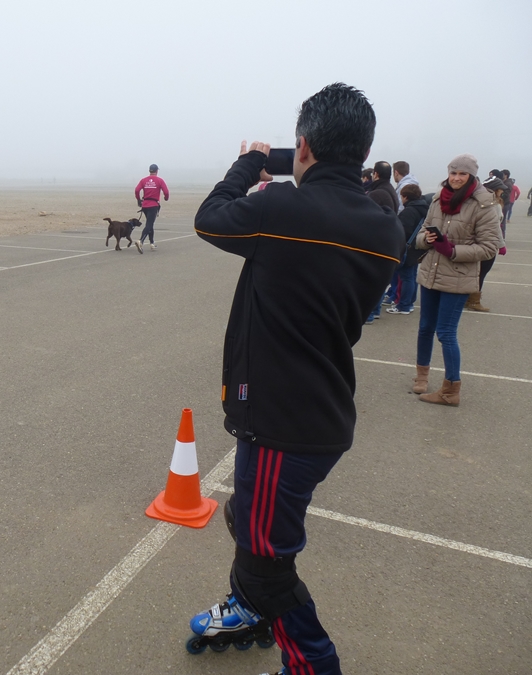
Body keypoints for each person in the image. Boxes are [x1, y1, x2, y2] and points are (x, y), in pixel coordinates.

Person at [189, 83, 403, 675]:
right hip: (320, 416)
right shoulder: (383, 226)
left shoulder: (282, 207)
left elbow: (210, 218)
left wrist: (251, 161)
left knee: (265, 560)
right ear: (361, 152)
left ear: (302, 145)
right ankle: (252, 607)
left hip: (282, 424)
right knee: (249, 520)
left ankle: (311, 663)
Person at [411, 154, 500, 405]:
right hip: (431, 272)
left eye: (462, 174)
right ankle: (421, 376)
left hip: (458, 277)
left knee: (446, 333)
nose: (457, 178)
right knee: (425, 327)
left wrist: (452, 251)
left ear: (472, 176)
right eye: (453, 173)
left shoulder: (483, 204)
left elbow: (489, 247)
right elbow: (422, 232)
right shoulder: (438, 199)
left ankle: (451, 390)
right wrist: (425, 240)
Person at [465, 176, 509, 312]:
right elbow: (496, 227)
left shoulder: (475, 202)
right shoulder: (492, 205)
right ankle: (473, 301)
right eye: (501, 189)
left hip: (475, 242)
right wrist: (501, 245)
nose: (502, 192)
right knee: (481, 273)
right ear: (495, 190)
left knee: (474, 272)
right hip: (488, 243)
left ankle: (467, 298)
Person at [385, 184, 429, 314]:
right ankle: (409, 302)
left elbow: (404, 231)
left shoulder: (409, 211)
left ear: (406, 197)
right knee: (411, 276)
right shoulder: (424, 208)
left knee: (406, 277)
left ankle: (404, 304)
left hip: (407, 247)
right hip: (416, 246)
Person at [365, 161, 399, 322]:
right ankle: (376, 310)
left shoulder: (377, 193)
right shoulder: (390, 190)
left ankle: (370, 313)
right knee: (379, 279)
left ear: (375, 174)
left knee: (371, 281)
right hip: (388, 241)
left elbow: (365, 217)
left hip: (375, 241)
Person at [134, 164, 169, 251]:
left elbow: (137, 190)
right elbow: (166, 192)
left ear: (149, 171)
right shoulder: (160, 180)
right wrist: (166, 198)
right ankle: (141, 241)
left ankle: (152, 242)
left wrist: (138, 199)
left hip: (145, 204)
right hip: (153, 205)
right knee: (149, 224)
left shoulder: (143, 180)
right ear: (157, 171)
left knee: (150, 223)